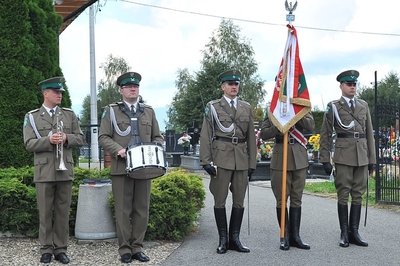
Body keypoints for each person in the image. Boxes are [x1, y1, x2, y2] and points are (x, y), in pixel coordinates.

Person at [98, 71, 163, 263]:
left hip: (145, 167)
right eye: (128, 87)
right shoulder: (111, 111)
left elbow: (157, 136)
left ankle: (137, 247)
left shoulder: (148, 111)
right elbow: (103, 137)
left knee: (142, 209)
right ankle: (124, 249)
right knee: (123, 210)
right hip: (121, 167)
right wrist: (118, 149)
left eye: (135, 86)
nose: (133, 89)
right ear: (121, 90)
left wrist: (157, 147)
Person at [23, 77, 86, 264]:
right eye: (56, 92)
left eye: (61, 92)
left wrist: (67, 138)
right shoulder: (32, 117)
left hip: (64, 169)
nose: (60, 95)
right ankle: (45, 249)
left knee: (62, 212)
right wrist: (48, 141)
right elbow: (28, 144)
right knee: (44, 212)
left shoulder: (69, 115)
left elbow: (81, 138)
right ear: (45, 93)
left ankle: (60, 248)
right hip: (43, 171)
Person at [199, 69, 257, 254]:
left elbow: (251, 138)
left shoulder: (246, 107)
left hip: (241, 158)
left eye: (236, 84)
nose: (234, 87)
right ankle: (223, 239)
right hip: (221, 158)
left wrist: (252, 163)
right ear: (223, 86)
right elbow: (206, 135)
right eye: (230, 84)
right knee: (220, 200)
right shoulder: (213, 107)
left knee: (239, 200)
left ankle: (235, 239)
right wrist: (205, 161)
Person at [319, 70, 376, 248]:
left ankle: (355, 232)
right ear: (341, 86)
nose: (352, 87)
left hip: (362, 155)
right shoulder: (334, 106)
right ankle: (344, 233)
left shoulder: (363, 105)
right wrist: (324, 159)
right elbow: (326, 134)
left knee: (358, 194)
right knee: (343, 193)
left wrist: (372, 158)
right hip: (343, 156)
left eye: (354, 84)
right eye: (349, 84)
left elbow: (369, 133)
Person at [260, 112, 314, 250]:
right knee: (281, 198)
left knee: (297, 198)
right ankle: (284, 236)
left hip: (299, 157)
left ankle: (296, 236)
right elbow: (264, 133)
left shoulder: (301, 106)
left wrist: (295, 114)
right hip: (280, 156)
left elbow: (310, 126)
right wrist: (281, 126)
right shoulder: (274, 109)